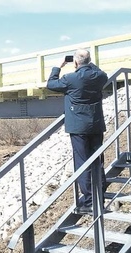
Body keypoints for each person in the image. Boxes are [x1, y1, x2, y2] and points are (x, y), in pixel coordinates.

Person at [46, 49, 108, 214]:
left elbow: (51, 84)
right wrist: (87, 62)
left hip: (78, 128)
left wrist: (57, 67)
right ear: (89, 61)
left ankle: (89, 202)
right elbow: (98, 71)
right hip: (96, 125)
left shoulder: (70, 79)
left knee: (82, 163)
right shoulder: (100, 76)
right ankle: (100, 197)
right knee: (97, 161)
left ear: (75, 62)